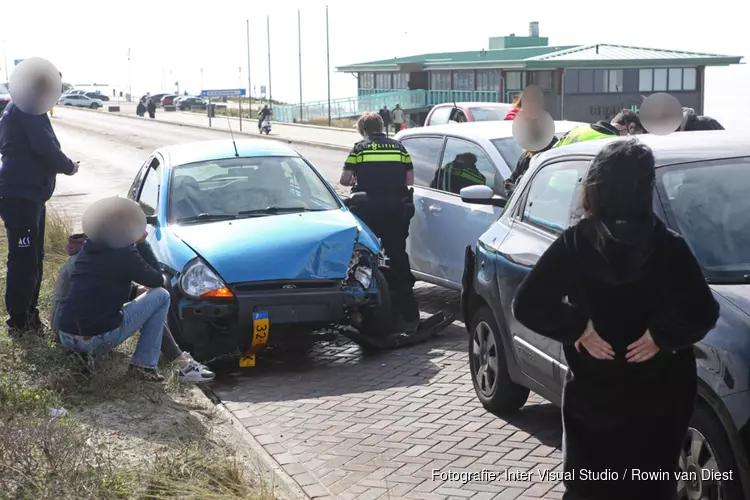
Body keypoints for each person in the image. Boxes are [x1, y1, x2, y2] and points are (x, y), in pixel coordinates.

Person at [511, 138, 720, 500]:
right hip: (660, 402)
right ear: (645, 187)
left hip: (594, 399)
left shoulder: (575, 244)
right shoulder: (671, 247)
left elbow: (528, 303)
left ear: (597, 185)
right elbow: (704, 310)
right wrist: (661, 336)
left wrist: (577, 327)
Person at [50, 232, 214, 382]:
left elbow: (98, 288)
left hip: (66, 335)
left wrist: (135, 291)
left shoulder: (88, 248)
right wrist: (142, 244)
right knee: (161, 296)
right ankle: (144, 367)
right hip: (93, 340)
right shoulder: (124, 251)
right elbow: (158, 280)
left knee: (152, 301)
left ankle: (180, 362)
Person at [0, 74, 79, 336]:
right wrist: (69, 167)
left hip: (30, 195)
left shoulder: (25, 107)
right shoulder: (26, 108)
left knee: (34, 257)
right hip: (20, 196)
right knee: (24, 259)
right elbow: (44, 147)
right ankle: (20, 322)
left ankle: (29, 316)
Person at [340, 112, 420, 332]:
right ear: (382, 126)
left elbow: (344, 180)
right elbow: (409, 179)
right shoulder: (399, 147)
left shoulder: (359, 148)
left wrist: (359, 177)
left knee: (364, 253)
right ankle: (409, 312)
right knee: (398, 254)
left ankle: (365, 304)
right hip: (396, 208)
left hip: (368, 209)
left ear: (363, 129)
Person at [554, 109, 644, 148]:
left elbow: (552, 151)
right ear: (631, 127)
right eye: (634, 137)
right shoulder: (613, 144)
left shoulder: (578, 129)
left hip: (552, 183)